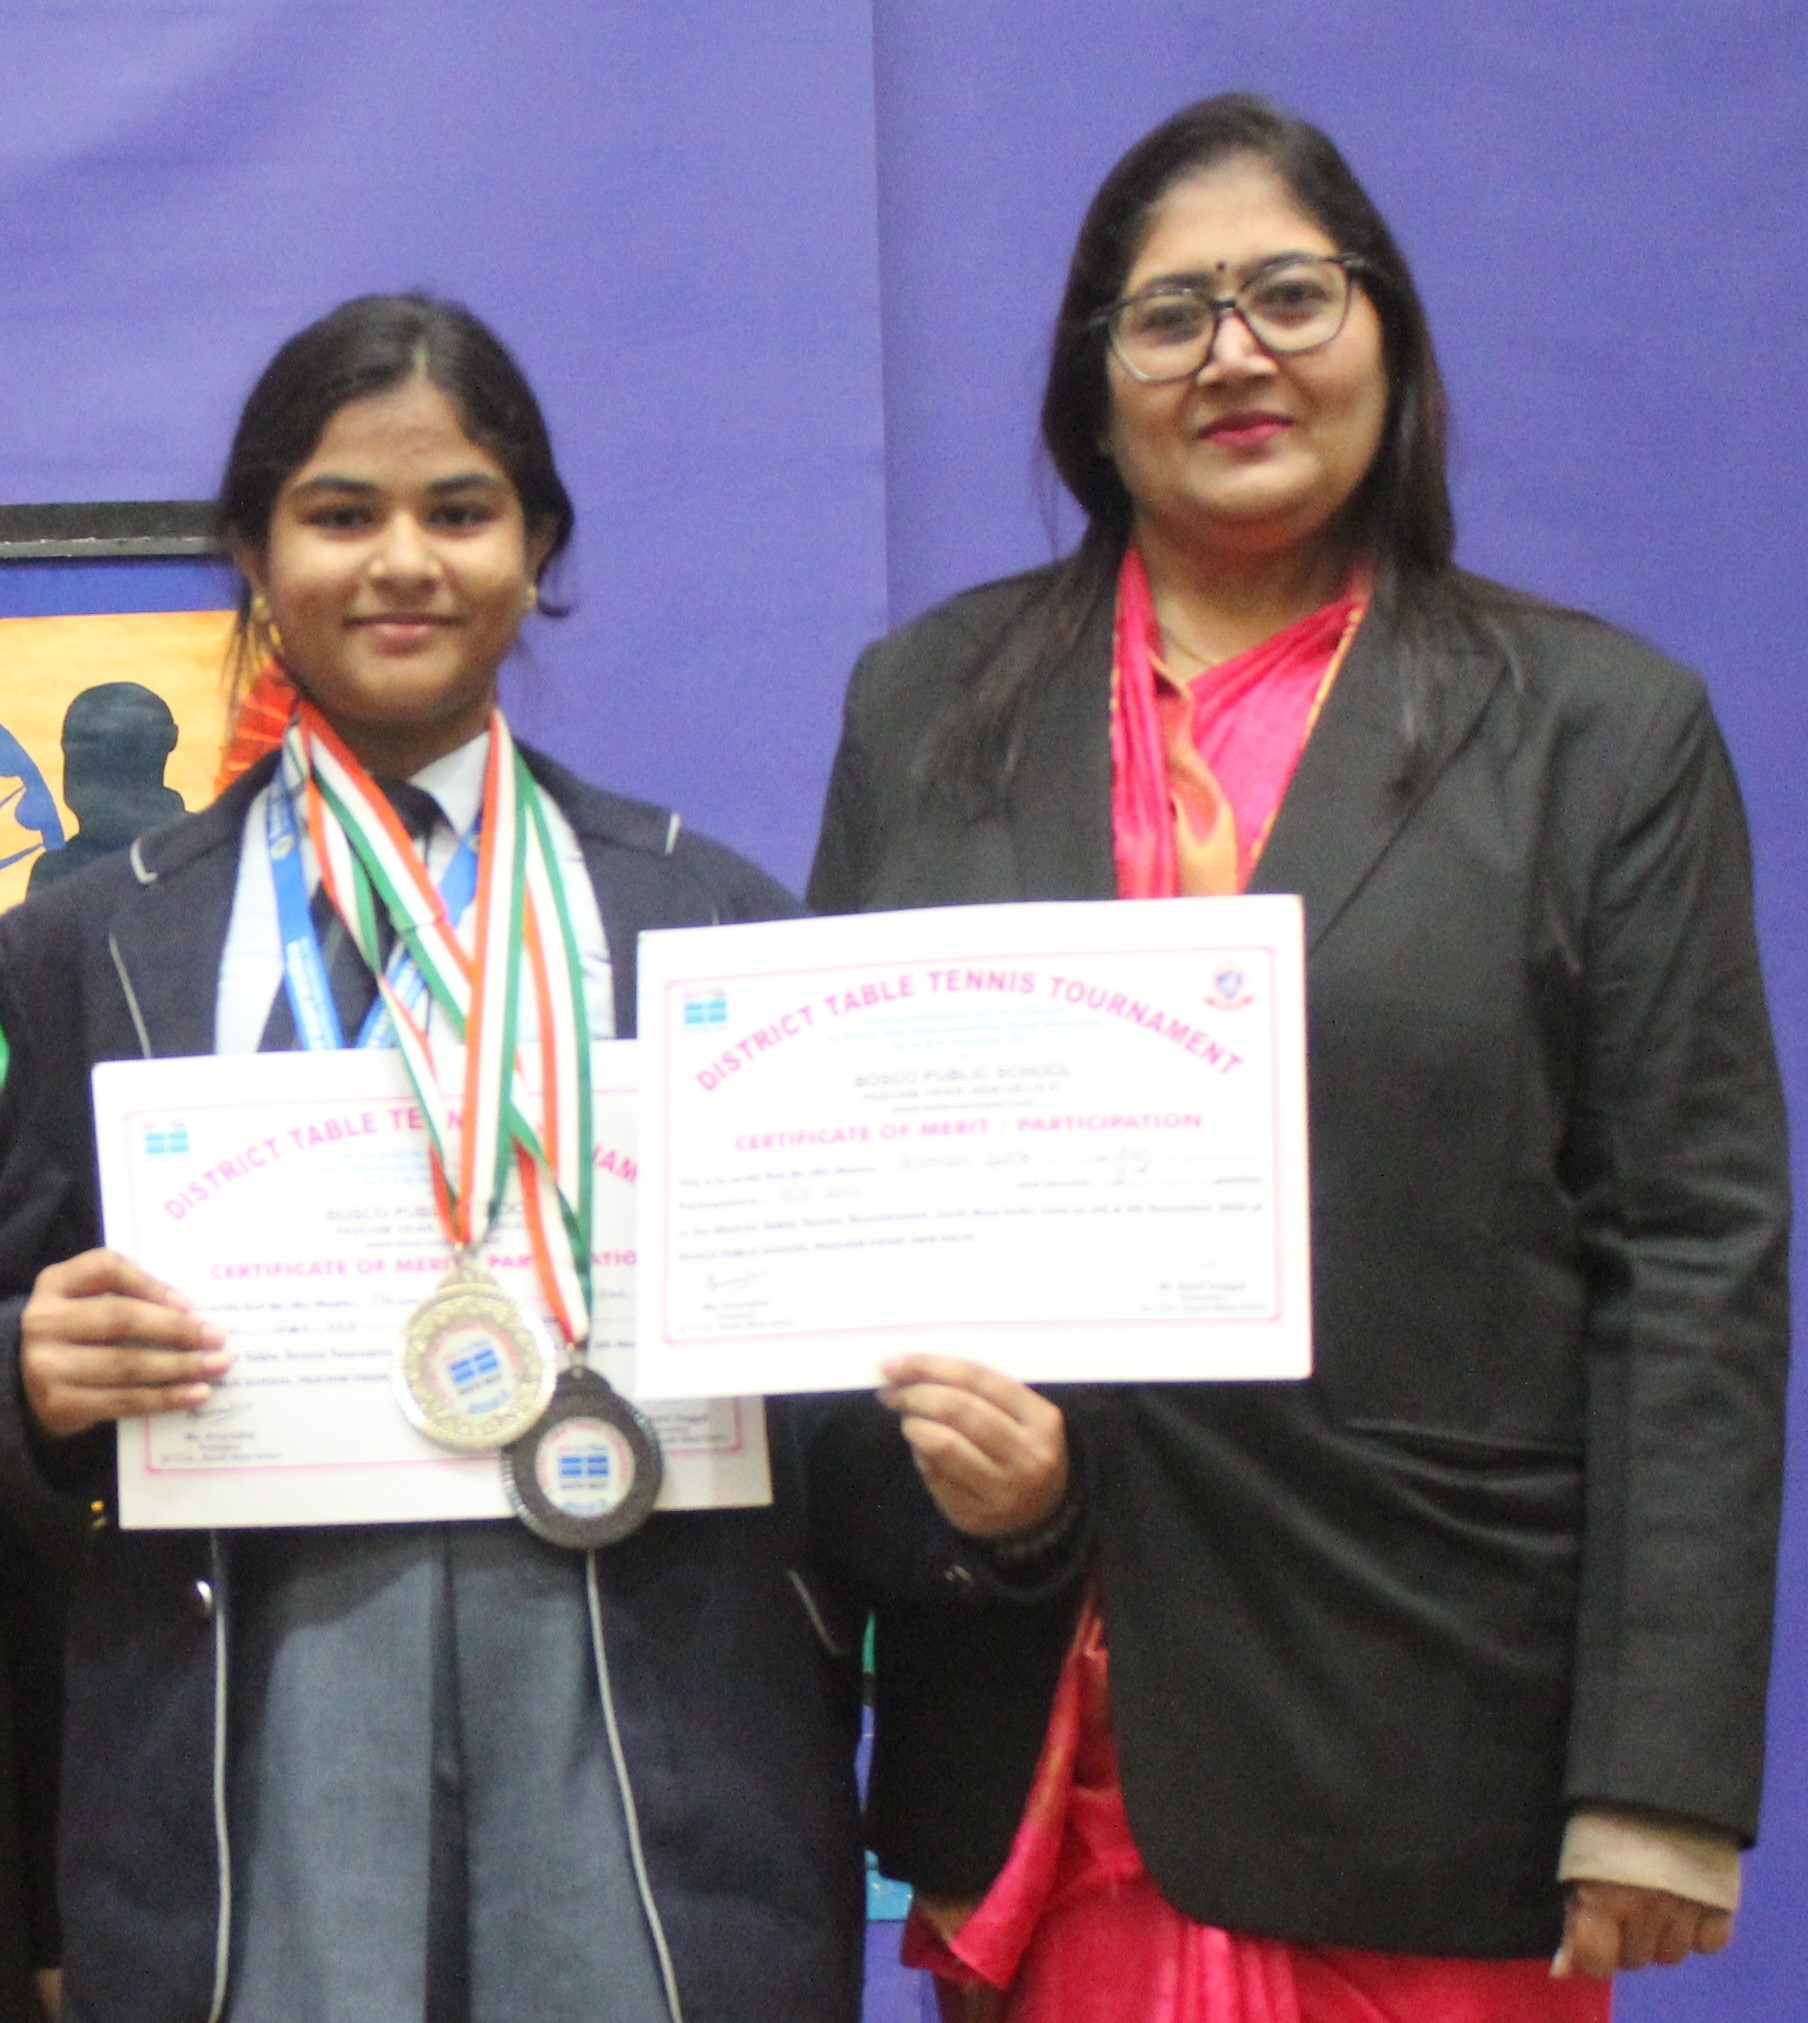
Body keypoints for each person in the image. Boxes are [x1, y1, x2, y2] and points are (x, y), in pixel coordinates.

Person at [808, 94, 1790, 2022]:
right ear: (1095, 391)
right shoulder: (927, 703)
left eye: (1290, 294)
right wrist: (958, 1506)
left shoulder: (1602, 730)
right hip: (1036, 1717)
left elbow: (1697, 1255)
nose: (1235, 351)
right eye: (1168, 315)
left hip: (1421, 1723)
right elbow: (861, 1182)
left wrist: (1662, 1777)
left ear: (1390, 342)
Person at [0, 293, 1072, 2023]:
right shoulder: (87, 947)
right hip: (246, 1735)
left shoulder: (706, 922)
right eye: (341, 513)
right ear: (256, 553)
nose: (401, 560)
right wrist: (32, 1375)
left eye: (462, 509)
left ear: (540, 546)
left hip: (644, 1737)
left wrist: (1003, 1508)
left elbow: (829, 1401)